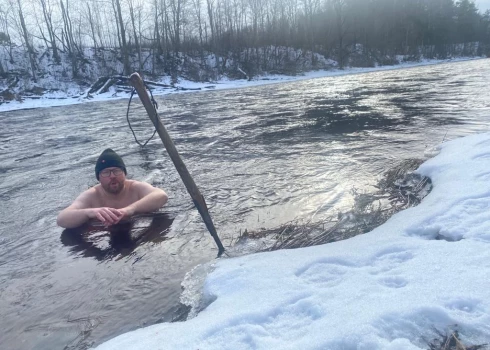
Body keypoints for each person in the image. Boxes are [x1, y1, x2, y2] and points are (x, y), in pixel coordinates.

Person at [57, 148, 168, 229]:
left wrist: (130, 209)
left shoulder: (135, 187)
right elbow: (62, 219)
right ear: (99, 178)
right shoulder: (92, 195)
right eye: (106, 172)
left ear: (124, 173)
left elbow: (161, 195)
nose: (112, 176)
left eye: (116, 171)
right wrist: (90, 212)